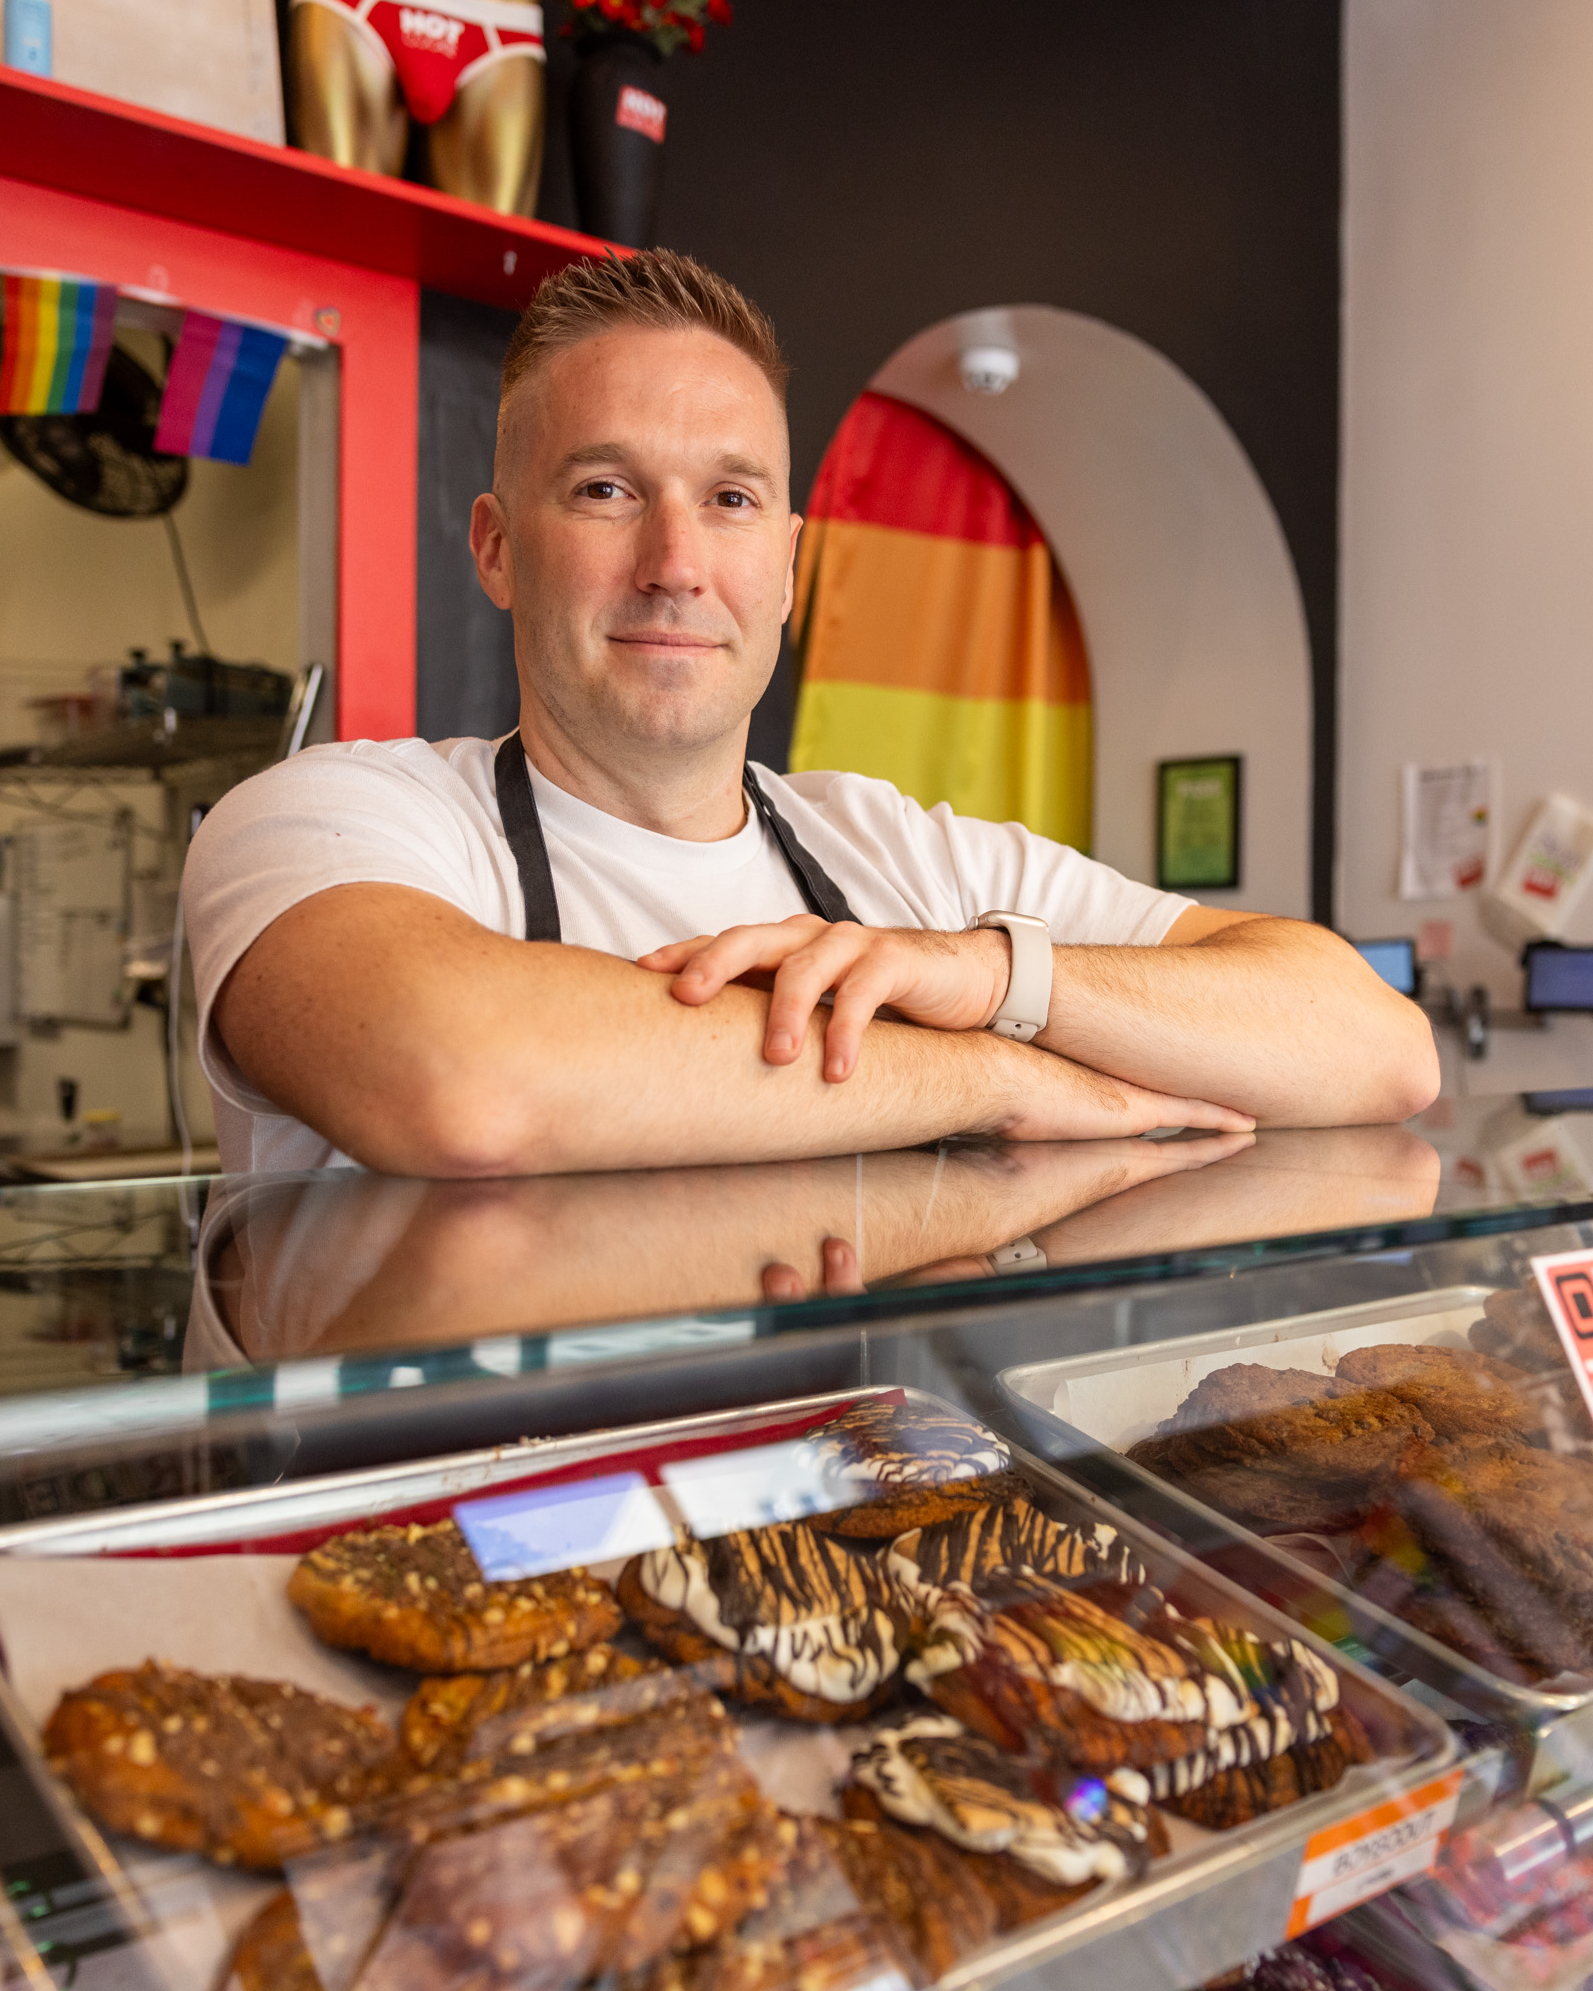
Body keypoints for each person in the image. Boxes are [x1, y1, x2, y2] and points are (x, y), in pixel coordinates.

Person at [184, 249, 1439, 1177]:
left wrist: (991, 971)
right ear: (499, 548)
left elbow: (1379, 1049)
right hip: (477, 1527)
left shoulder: (910, 860)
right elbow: (462, 1082)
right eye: (608, 488)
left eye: (730, 501)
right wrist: (995, 1075)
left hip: (827, 1509)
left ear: (788, 562)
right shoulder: (334, 819)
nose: (675, 561)